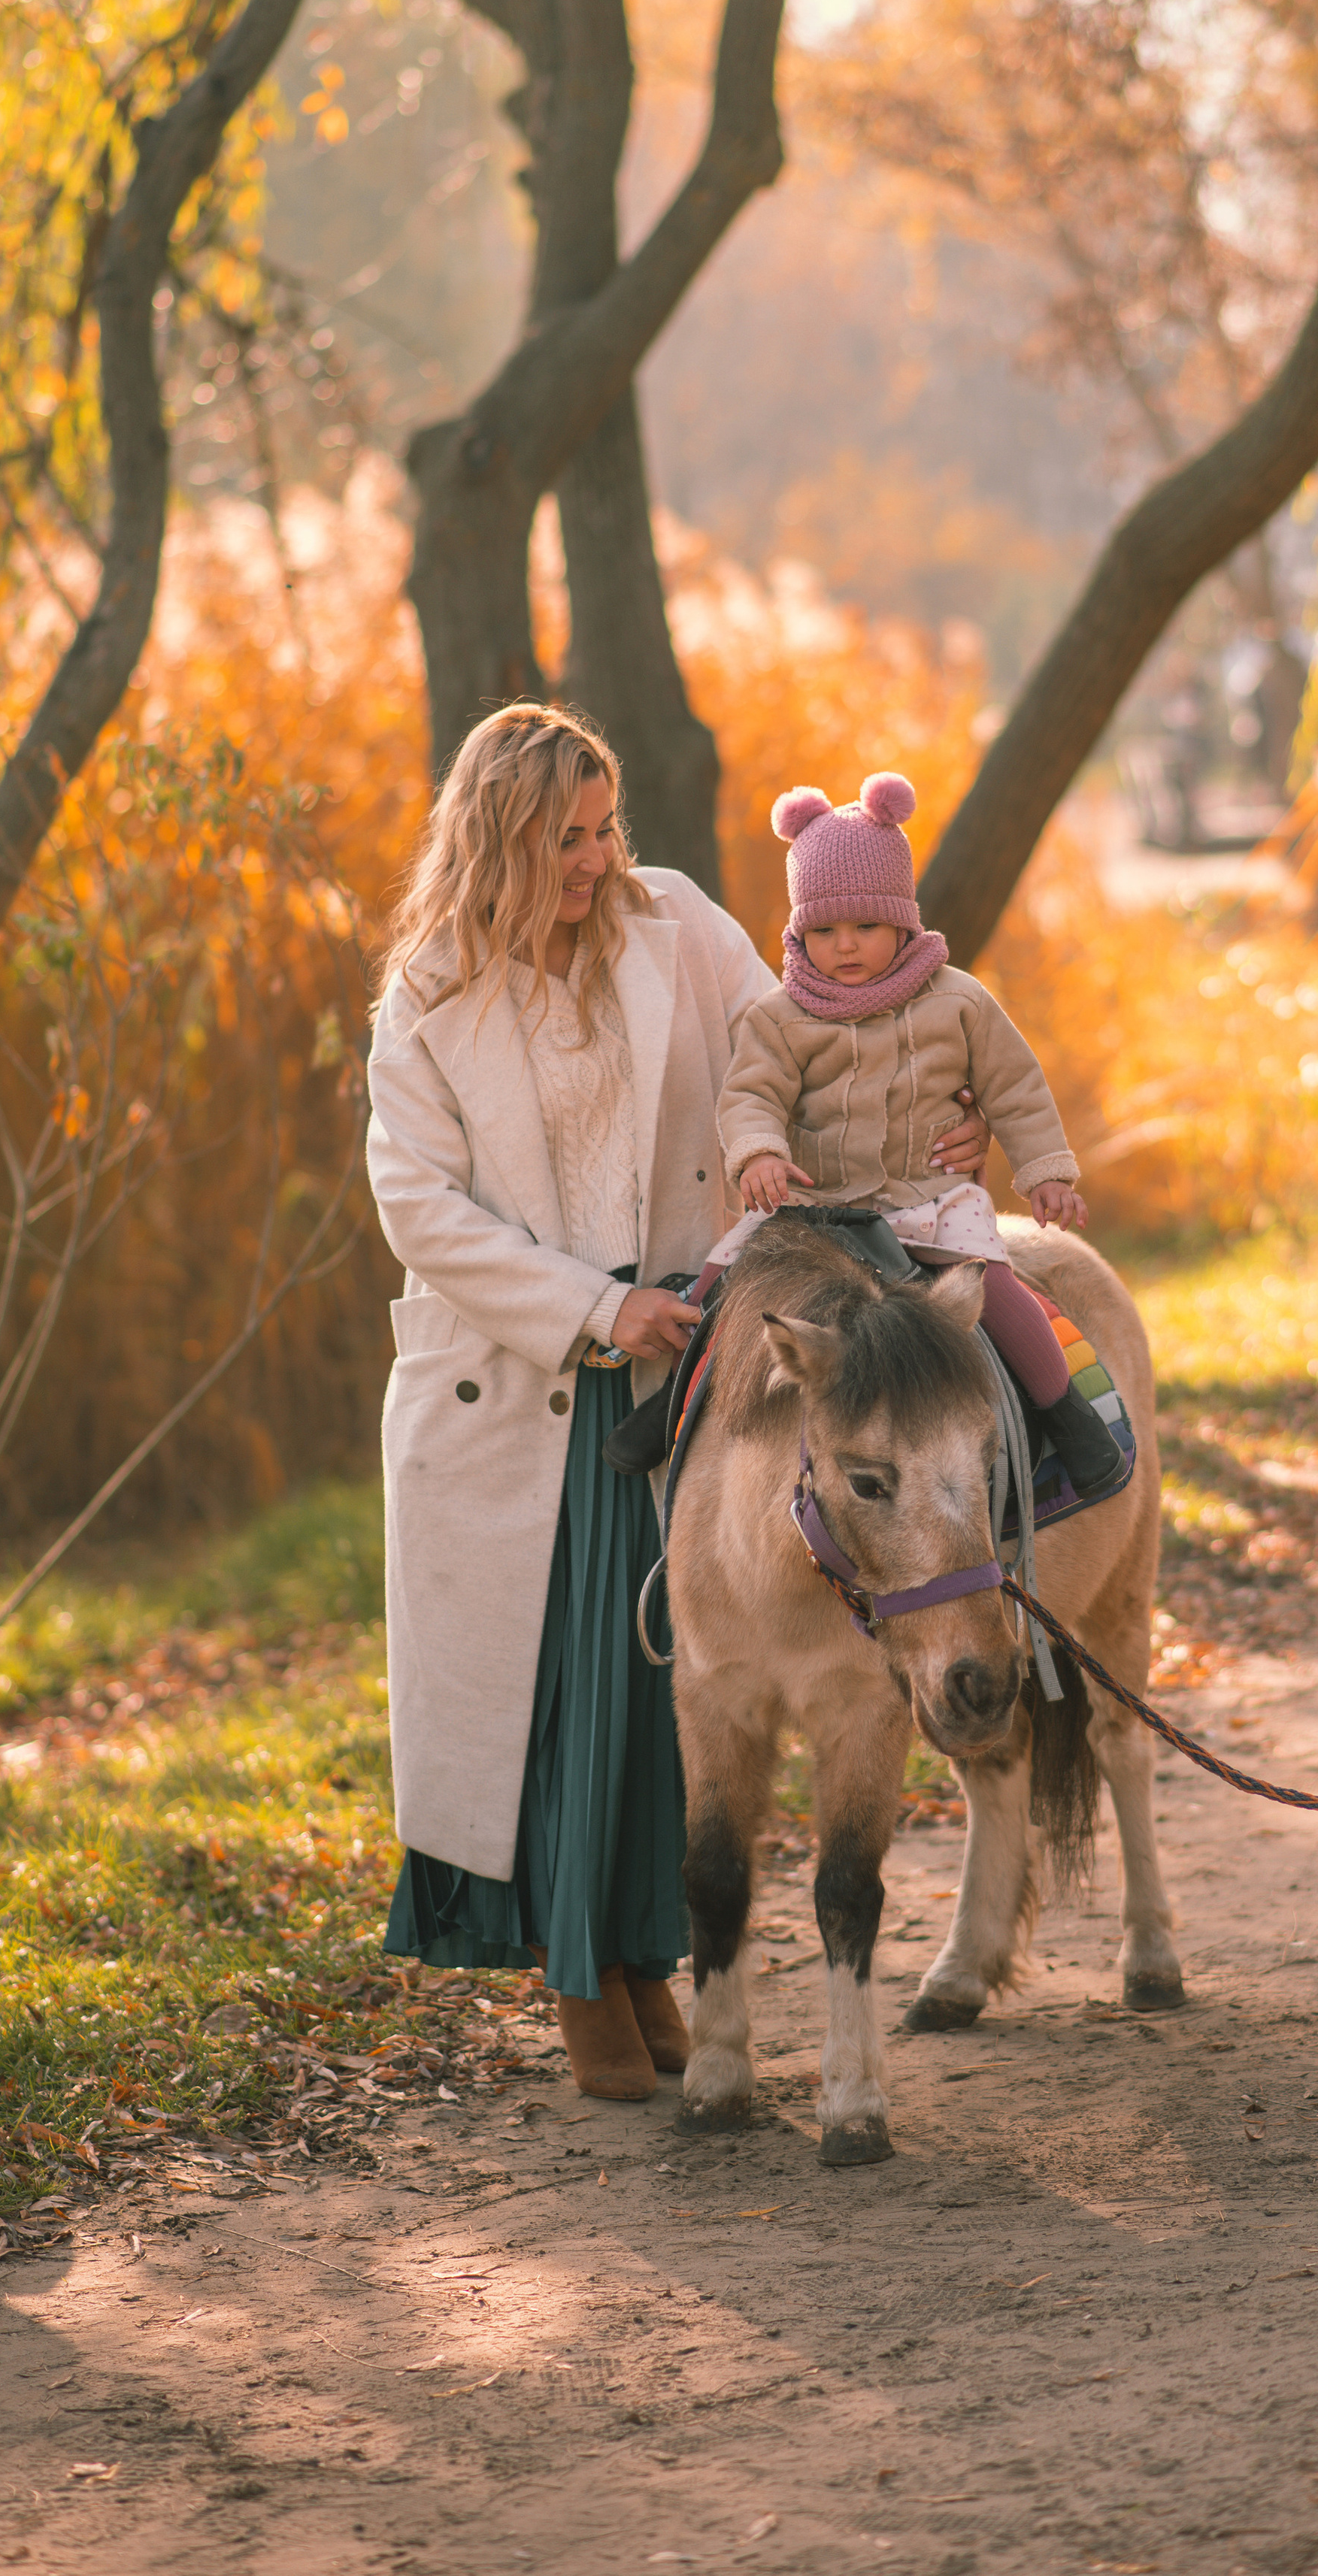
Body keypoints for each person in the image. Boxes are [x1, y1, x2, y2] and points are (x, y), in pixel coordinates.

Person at [364, 707, 991, 2100]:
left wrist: (943, 1114)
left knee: (669, 1705)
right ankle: (580, 1974)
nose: (598, 858)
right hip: (522, 1380)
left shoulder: (677, 926)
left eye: (604, 828)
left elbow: (817, 1045)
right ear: (496, 839)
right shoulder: (426, 996)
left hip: (691, 1368)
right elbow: (419, 1206)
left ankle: (649, 1957)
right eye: (566, 838)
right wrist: (596, 1309)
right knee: (558, 1696)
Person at [707, 771, 1123, 1498]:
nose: (844, 947)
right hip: (818, 1211)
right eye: (824, 931)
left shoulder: (958, 1001)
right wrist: (760, 1152)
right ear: (800, 931)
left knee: (995, 1290)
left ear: (902, 920)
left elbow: (1015, 1087)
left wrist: (1046, 1171)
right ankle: (673, 1416)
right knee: (718, 1286)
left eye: (865, 927)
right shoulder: (780, 1017)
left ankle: (1066, 1413)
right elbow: (750, 1095)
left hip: (928, 1201)